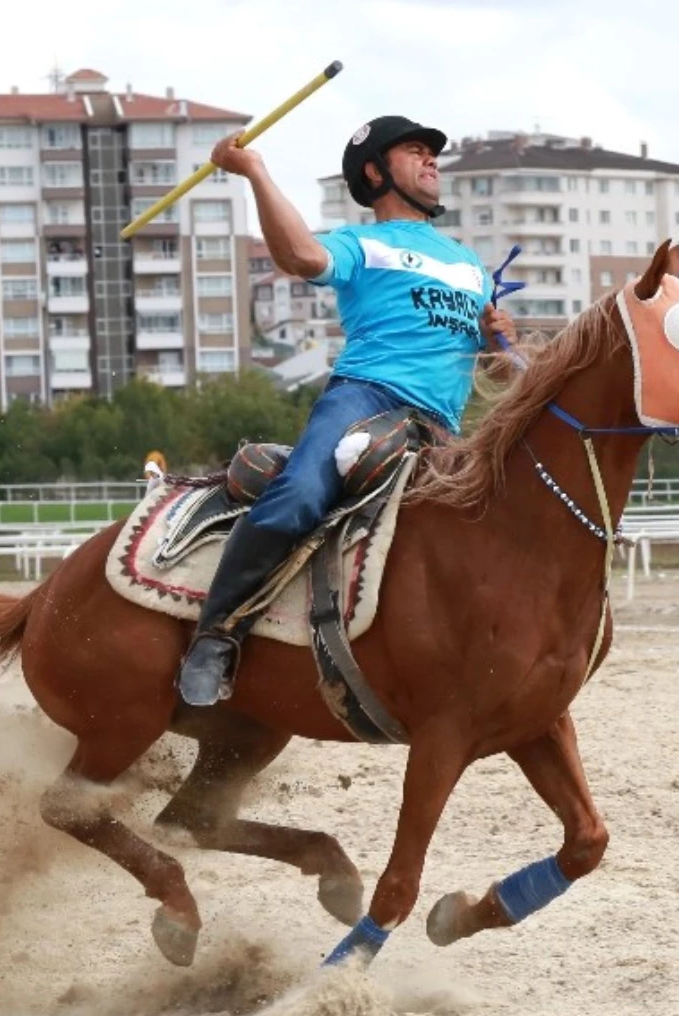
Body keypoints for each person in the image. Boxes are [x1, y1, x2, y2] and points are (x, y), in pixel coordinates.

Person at [176, 115, 517, 707]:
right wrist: (254, 170)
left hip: (445, 426)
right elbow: (300, 258)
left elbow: (501, 374)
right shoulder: (360, 243)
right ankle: (215, 634)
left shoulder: (471, 266)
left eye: (433, 153)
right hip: (365, 399)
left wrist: (500, 341)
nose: (432, 160)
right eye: (415, 152)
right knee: (302, 493)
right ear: (375, 171)